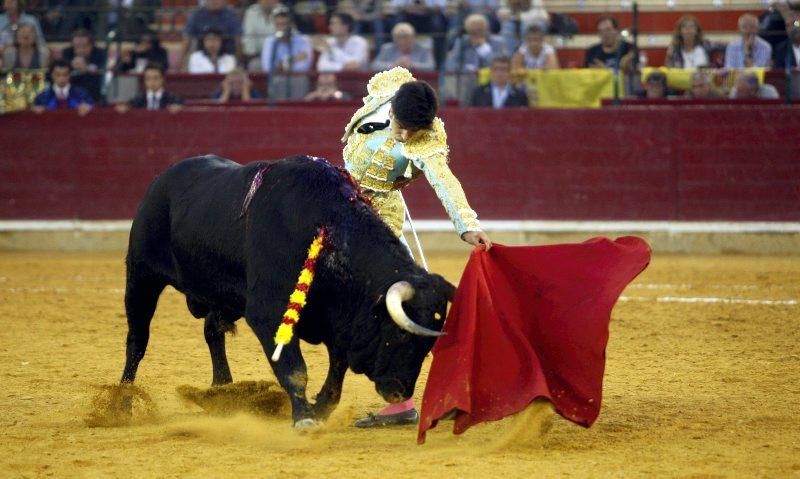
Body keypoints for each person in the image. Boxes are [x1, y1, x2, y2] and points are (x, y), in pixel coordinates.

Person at [341, 67, 492, 427]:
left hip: (379, 215)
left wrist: (467, 226)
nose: (406, 135)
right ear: (392, 107)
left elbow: (445, 182)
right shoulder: (392, 86)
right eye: (402, 125)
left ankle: (401, 399)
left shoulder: (428, 142)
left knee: (390, 301)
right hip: (338, 194)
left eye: (415, 131)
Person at [182, 0, 242, 69]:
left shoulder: (232, 15)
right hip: (201, 56)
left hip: (227, 55)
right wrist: (182, 65)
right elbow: (187, 40)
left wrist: (238, 63)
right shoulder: (196, 15)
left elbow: (238, 41)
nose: (214, 2)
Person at [260, 9, 312, 74]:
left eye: (284, 24)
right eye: (278, 24)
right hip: (277, 78)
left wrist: (280, 65)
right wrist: (290, 60)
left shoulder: (303, 40)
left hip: (298, 78)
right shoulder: (269, 41)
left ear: (291, 25)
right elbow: (267, 67)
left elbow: (304, 67)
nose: (281, 28)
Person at [115, 62, 183, 112]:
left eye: (156, 78)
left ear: (162, 79)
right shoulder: (136, 100)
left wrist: (179, 109)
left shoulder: (173, 99)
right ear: (144, 80)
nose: (152, 82)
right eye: (148, 78)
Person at [370, 22, 435, 72]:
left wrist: (412, 65)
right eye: (398, 37)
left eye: (405, 37)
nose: (402, 41)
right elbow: (375, 65)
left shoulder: (424, 49)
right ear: (394, 38)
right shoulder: (386, 48)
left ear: (413, 38)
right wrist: (394, 65)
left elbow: (431, 66)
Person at [242, 0, 278, 68]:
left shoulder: (284, 11)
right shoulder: (251, 12)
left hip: (280, 56)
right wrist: (251, 54)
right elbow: (249, 37)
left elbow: (293, 35)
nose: (268, 1)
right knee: (254, 65)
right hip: (258, 56)